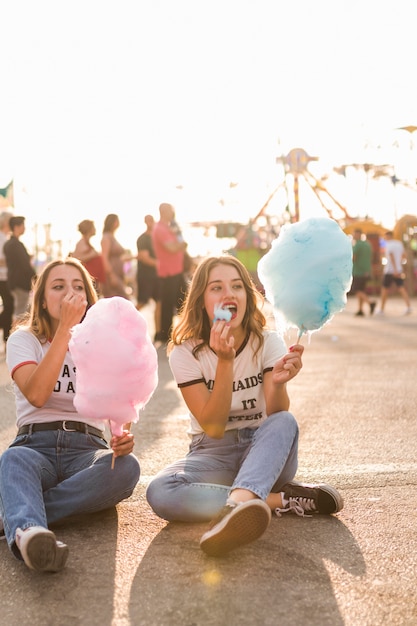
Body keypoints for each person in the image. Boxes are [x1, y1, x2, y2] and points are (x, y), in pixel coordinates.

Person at [146, 254, 343, 557]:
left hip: (264, 453)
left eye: (237, 286)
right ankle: (277, 501)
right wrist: (225, 362)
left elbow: (276, 415)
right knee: (160, 492)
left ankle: (235, 507)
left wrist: (277, 383)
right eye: (217, 288)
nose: (229, 294)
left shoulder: (267, 342)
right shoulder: (185, 353)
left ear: (247, 297)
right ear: (201, 300)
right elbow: (212, 427)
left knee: (285, 421)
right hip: (212, 453)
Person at [0, 257, 140, 572]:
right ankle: (28, 531)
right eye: (59, 286)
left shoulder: (102, 344)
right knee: (12, 461)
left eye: (78, 287)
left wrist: (122, 437)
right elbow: (36, 395)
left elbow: (119, 406)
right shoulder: (24, 339)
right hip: (35, 445)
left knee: (126, 468)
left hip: (87, 449)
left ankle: (20, 516)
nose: (69, 293)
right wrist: (65, 329)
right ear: (42, 298)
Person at [152, 203, 188, 344]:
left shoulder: (169, 227)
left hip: (176, 271)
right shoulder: (159, 229)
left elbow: (178, 244)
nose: (172, 212)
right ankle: (165, 335)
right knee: (169, 305)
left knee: (183, 302)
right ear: (163, 211)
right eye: (170, 210)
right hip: (168, 272)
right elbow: (172, 248)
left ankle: (178, 331)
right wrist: (181, 245)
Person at [3, 216, 36, 320]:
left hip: (13, 282)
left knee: (18, 310)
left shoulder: (8, 244)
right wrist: (35, 277)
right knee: (21, 312)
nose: (24, 228)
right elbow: (24, 265)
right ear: (16, 227)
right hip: (21, 283)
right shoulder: (17, 245)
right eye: (23, 225)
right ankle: (18, 334)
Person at [136, 214, 161, 341]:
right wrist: (161, 264)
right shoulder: (142, 239)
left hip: (157, 277)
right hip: (145, 276)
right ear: (145, 222)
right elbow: (144, 257)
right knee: (142, 302)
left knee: (159, 302)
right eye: (148, 220)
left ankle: (158, 333)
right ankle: (127, 323)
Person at [378, 231, 412, 315]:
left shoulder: (389, 244)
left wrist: (395, 269)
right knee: (401, 288)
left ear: (388, 236)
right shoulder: (399, 243)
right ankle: (408, 307)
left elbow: (391, 256)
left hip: (390, 270)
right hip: (398, 269)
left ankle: (381, 309)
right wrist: (399, 265)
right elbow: (404, 255)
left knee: (384, 289)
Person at [71, 219, 106, 294]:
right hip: (88, 278)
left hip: (94, 278)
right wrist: (92, 254)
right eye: (94, 227)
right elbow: (76, 259)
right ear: (89, 229)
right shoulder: (81, 243)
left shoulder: (86, 242)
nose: (95, 229)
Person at [100, 213, 130, 299]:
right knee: (122, 299)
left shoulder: (112, 237)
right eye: (117, 220)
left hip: (118, 273)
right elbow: (104, 257)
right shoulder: (106, 237)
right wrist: (111, 275)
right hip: (112, 274)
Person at [351, 228, 376, 316]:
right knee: (361, 290)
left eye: (354, 234)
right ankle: (360, 310)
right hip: (366, 270)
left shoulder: (357, 245)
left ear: (358, 235)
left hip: (358, 271)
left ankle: (370, 303)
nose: (353, 236)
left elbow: (353, 258)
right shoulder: (368, 244)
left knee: (357, 290)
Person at [0, 211, 14, 347]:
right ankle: (6, 336)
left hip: (6, 278)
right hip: (2, 278)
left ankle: (6, 337)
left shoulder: (6, 238)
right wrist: (11, 261)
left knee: (9, 306)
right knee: (9, 306)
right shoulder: (1, 238)